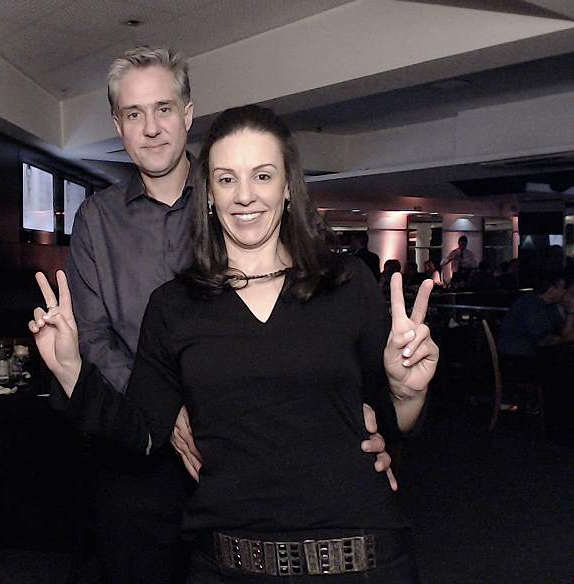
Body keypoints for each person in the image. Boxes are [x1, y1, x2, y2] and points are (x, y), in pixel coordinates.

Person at [33, 105, 438, 582]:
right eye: (227, 179)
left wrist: (407, 392)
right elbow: (142, 436)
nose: (245, 196)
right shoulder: (173, 306)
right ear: (209, 194)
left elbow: (387, 425)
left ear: (288, 187)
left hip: (360, 563)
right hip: (228, 567)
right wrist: (70, 370)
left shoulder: (347, 285)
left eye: (262, 176)